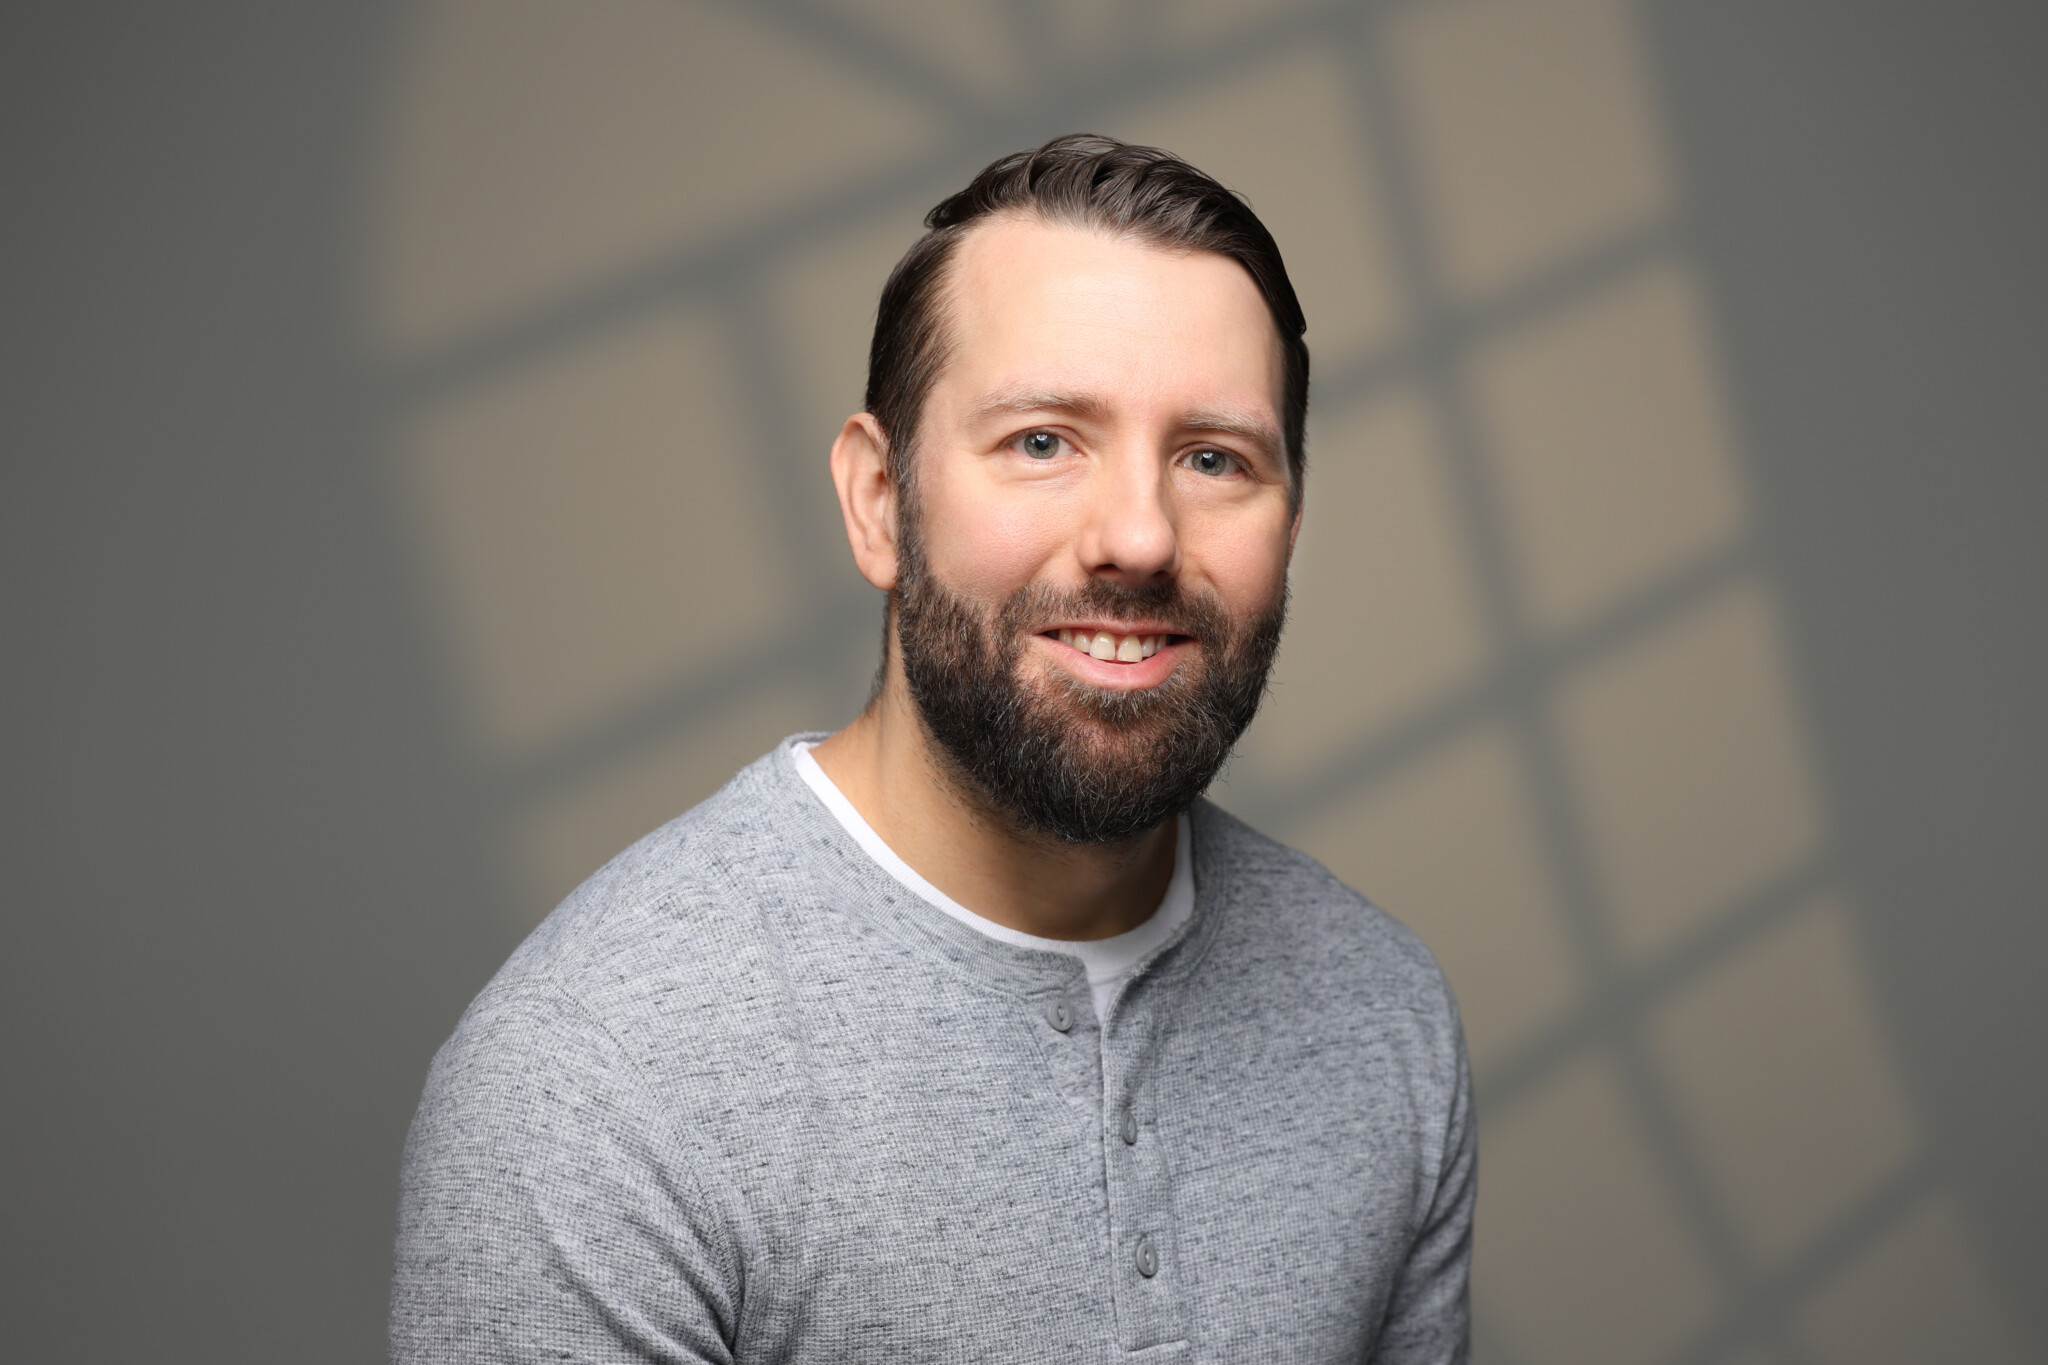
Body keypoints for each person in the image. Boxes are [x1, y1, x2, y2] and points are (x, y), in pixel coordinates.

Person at [391, 134, 1474, 1364]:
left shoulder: (1382, 1016)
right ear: (876, 501)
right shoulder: (598, 1080)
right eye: (1042, 441)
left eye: (1211, 459)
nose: (1136, 536)